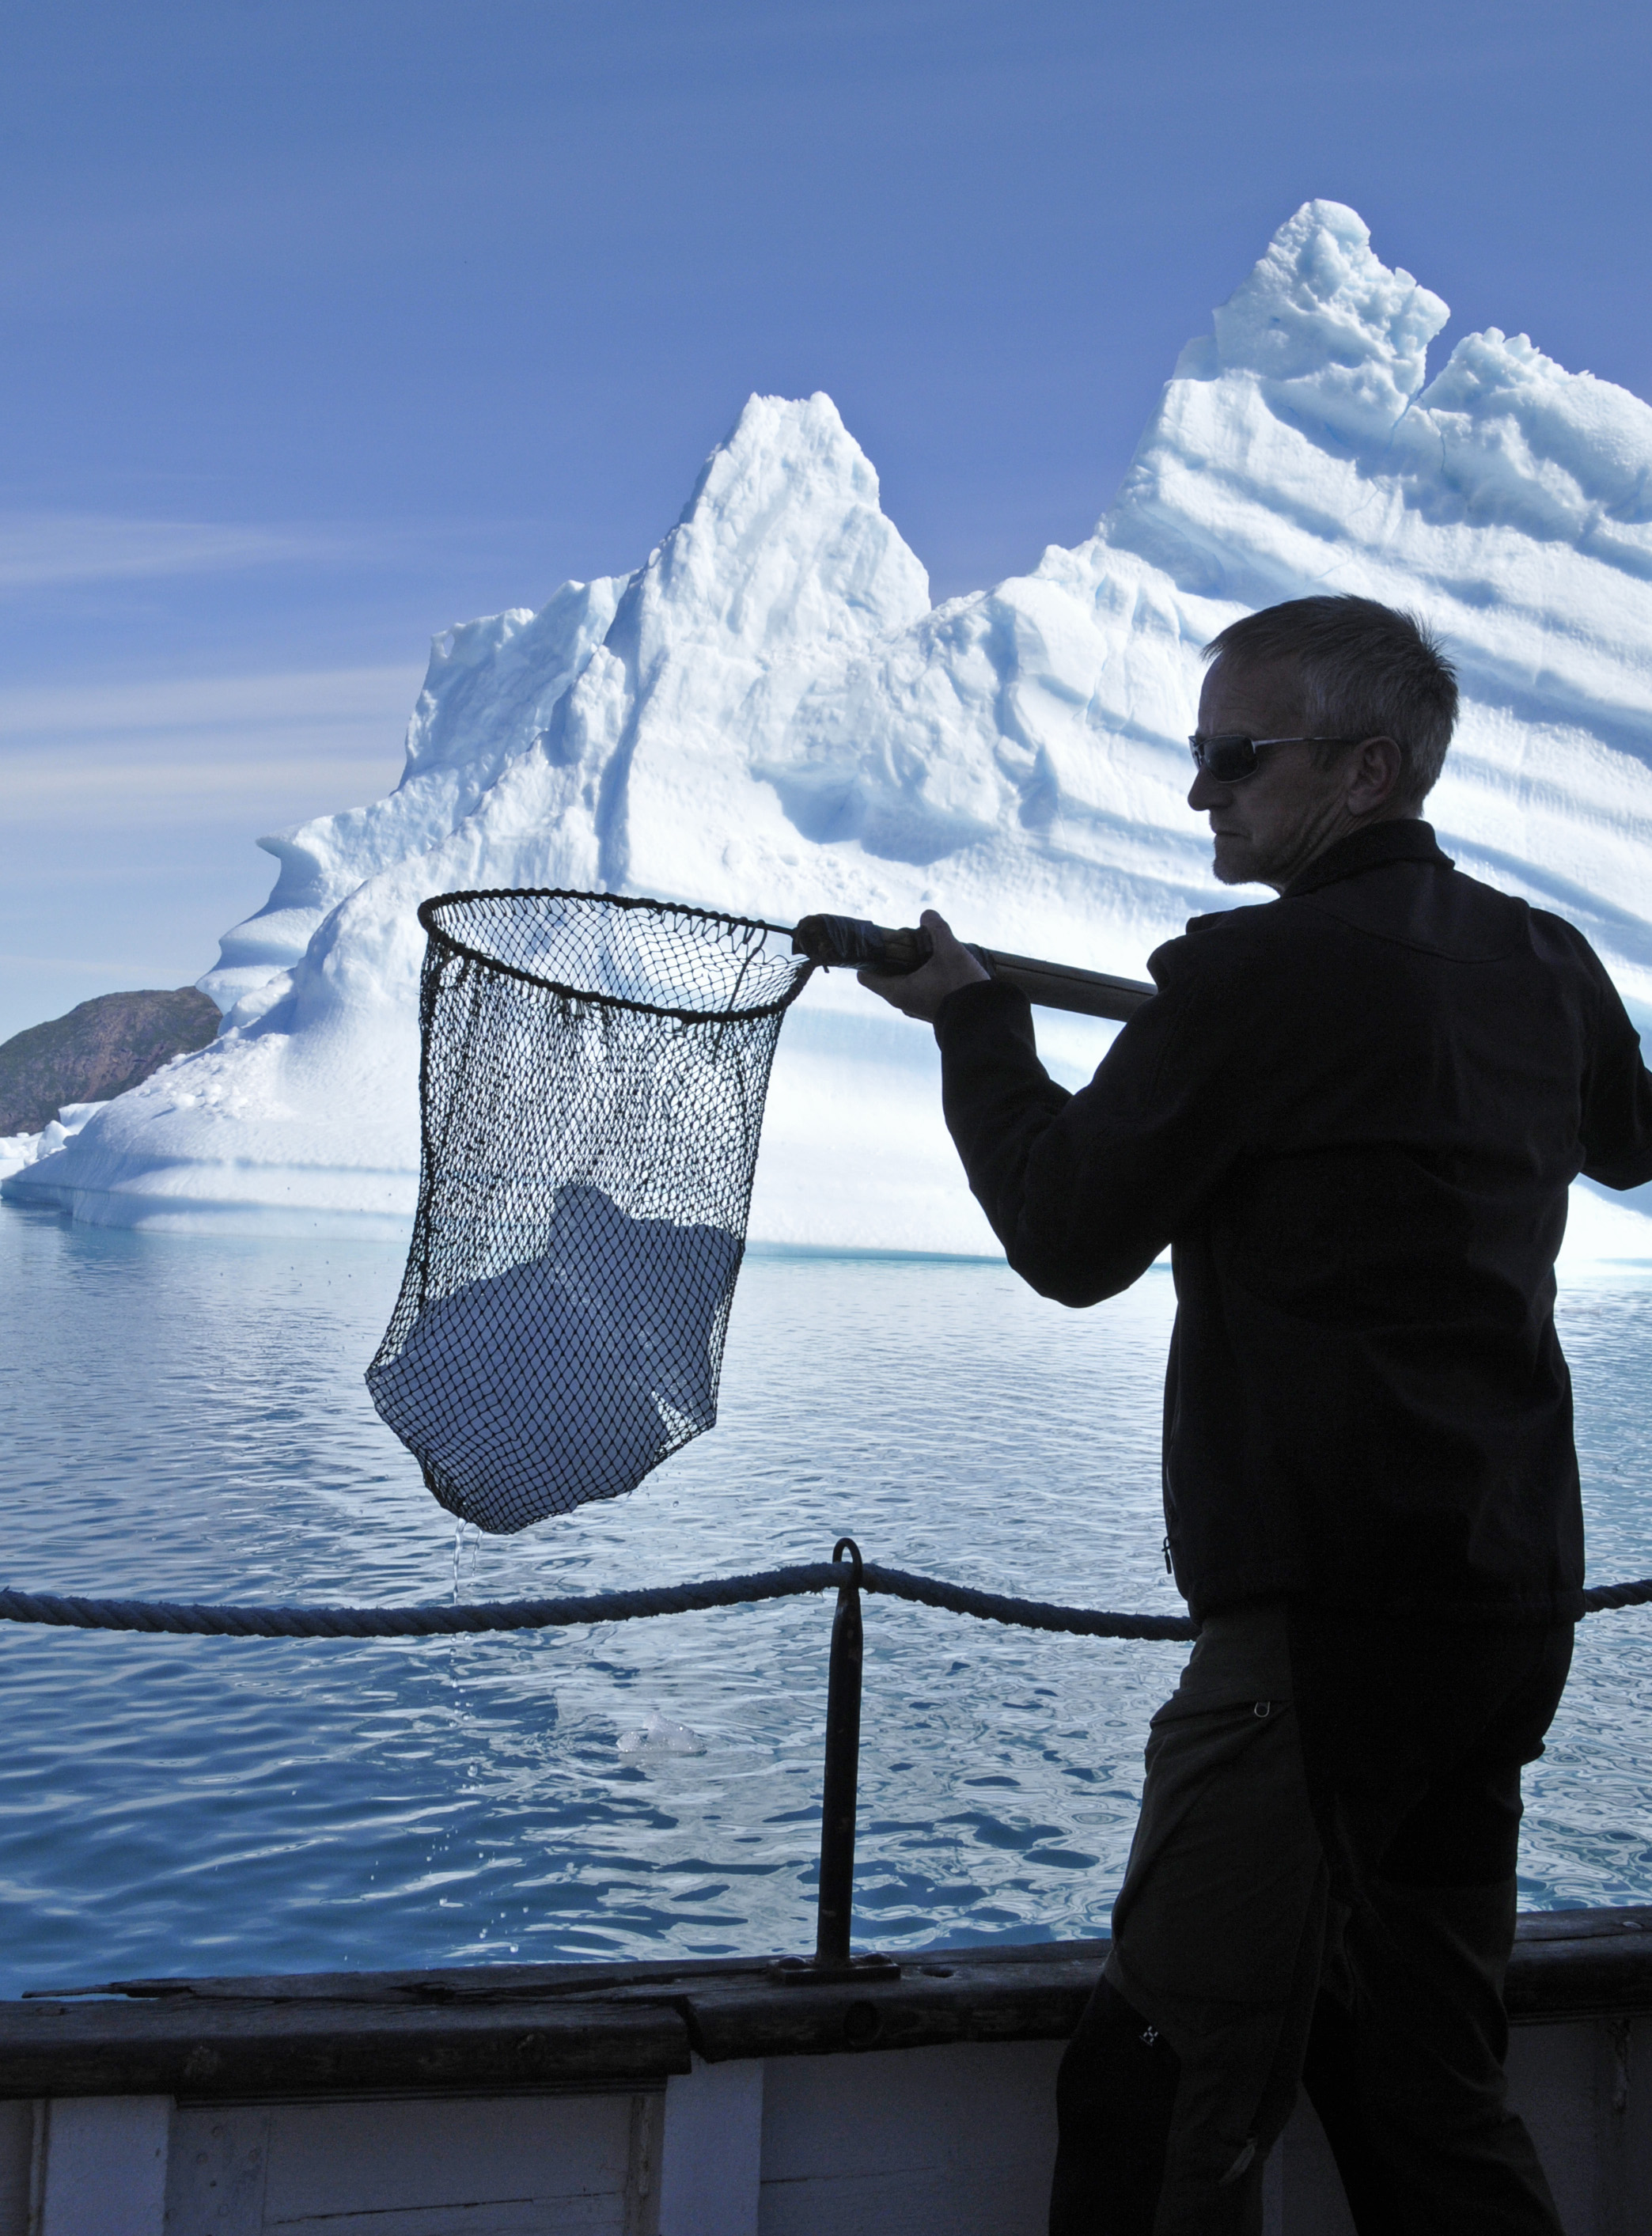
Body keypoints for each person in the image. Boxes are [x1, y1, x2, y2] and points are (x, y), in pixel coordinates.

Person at [857, 594, 1652, 2234]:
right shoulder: (1543, 962)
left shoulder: (1252, 975)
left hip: (1318, 1646)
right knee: (1418, 2086)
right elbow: (1630, 1140)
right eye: (1197, 756)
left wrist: (981, 1030)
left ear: (1367, 769)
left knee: (1162, 2091)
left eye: (1236, 757)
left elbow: (1071, 1234)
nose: (1202, 793)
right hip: (1502, 1618)